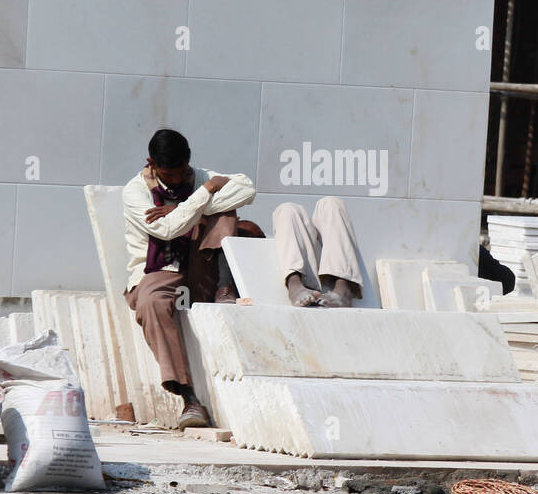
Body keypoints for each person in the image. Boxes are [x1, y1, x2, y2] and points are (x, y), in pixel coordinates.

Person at [122, 129, 255, 429]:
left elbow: (247, 188)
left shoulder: (198, 177)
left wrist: (190, 204)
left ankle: (224, 288)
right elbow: (167, 230)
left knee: (226, 210)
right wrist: (206, 193)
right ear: (151, 164)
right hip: (158, 272)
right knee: (152, 302)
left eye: (183, 173)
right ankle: (189, 398)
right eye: (170, 175)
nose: (179, 180)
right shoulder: (135, 192)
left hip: (199, 265)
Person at [273, 198, 365, 308]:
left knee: (331, 204)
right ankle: (294, 282)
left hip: (335, 270)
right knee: (287, 209)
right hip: (307, 271)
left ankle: (344, 286)